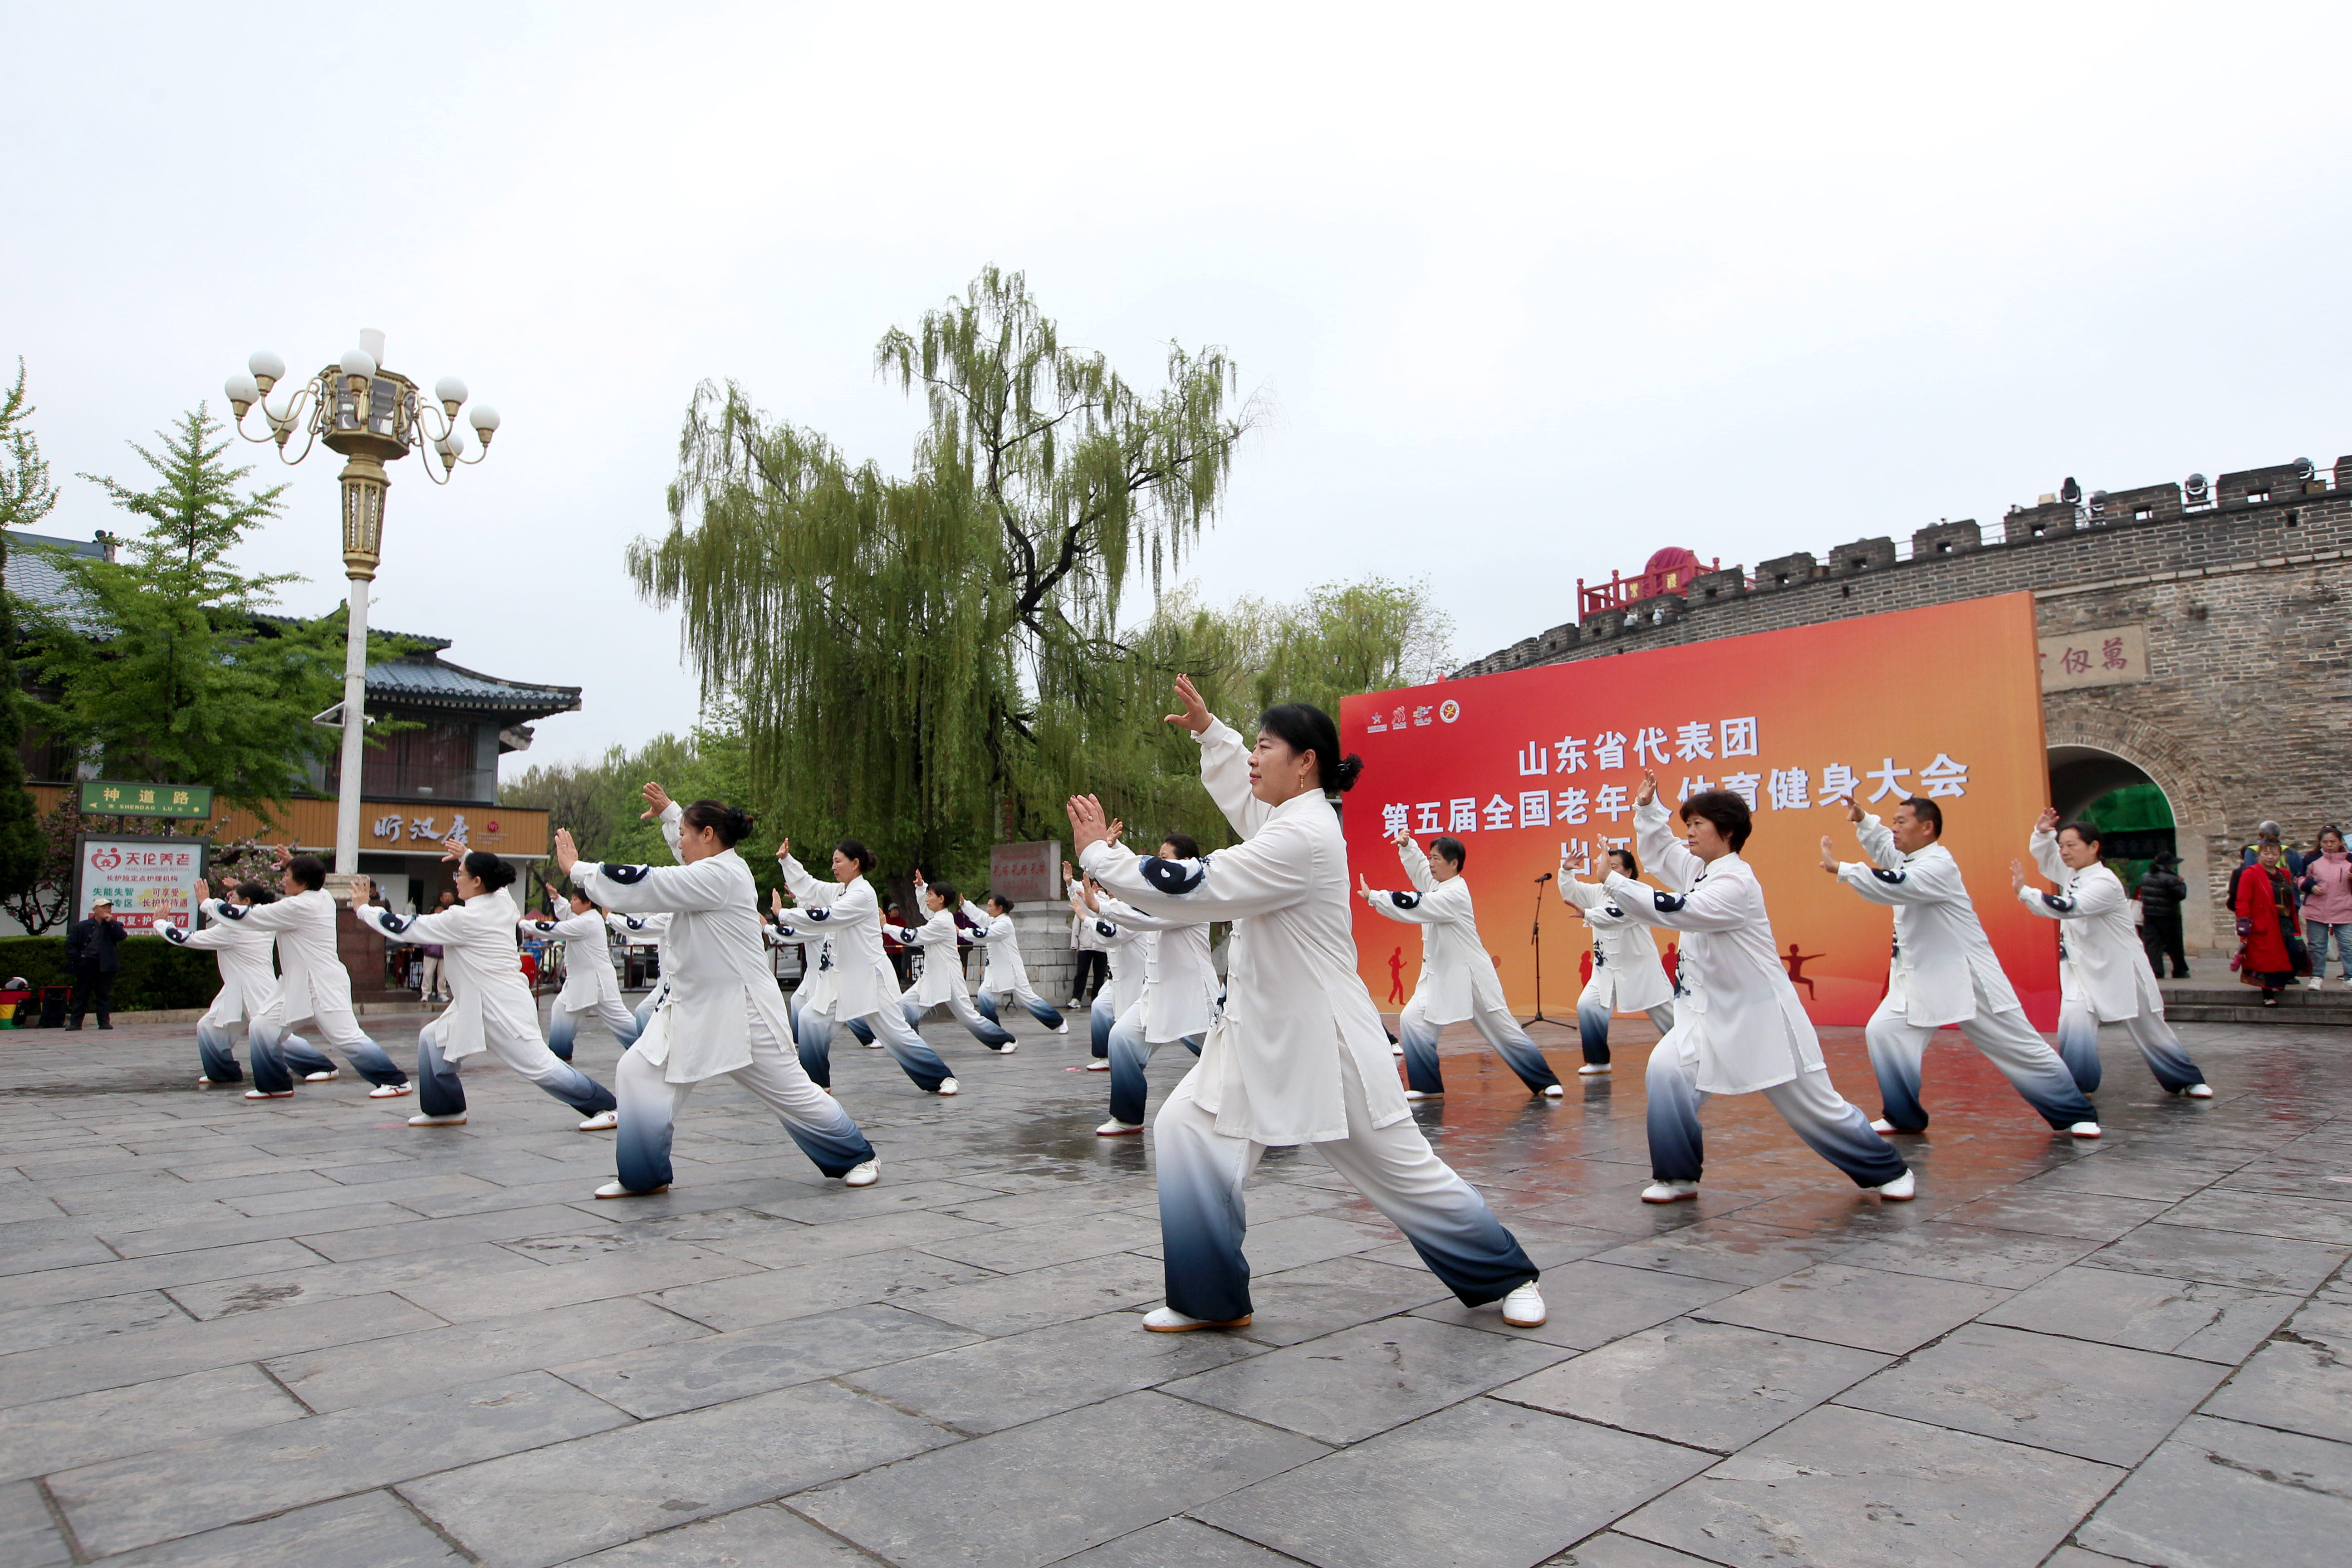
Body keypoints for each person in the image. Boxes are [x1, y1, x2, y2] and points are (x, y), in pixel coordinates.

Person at [1069, 674, 1545, 1333]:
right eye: (1252, 746)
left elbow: (1200, 885)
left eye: (1264, 747)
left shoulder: (1305, 836)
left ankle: (1509, 1275)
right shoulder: (1288, 817)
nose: (1252, 758)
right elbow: (1244, 797)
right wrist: (1211, 733)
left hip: (1325, 1041)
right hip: (1255, 1032)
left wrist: (1102, 855)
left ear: (1306, 763)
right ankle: (1210, 1299)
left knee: (1401, 1171)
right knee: (1185, 1132)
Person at [1604, 772, 1914, 1205]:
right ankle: (1678, 1176)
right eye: (1687, 823)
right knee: (1665, 1071)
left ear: (1727, 832)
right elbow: (1659, 852)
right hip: (1707, 1016)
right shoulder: (1698, 868)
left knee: (1815, 1108)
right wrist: (1647, 809)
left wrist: (1614, 882)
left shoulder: (1737, 882)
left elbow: (1681, 910)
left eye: (1698, 824)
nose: (1688, 832)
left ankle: (1888, 1170)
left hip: (1763, 1018)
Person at [557, 802, 879, 1197]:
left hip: (744, 1011)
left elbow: (653, 882)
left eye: (685, 834)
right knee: (636, 1072)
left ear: (708, 835)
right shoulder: (709, 872)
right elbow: (679, 868)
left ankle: (859, 1156)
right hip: (691, 1007)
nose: (680, 843)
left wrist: (578, 869)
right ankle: (643, 1176)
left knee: (792, 1091)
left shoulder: (723, 874)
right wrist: (671, 813)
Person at [1822, 794, 2101, 1139]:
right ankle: (1903, 1115)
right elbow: (1884, 848)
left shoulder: (1938, 866)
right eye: (1893, 823)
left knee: (2017, 1045)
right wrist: (1864, 819)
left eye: (1901, 822)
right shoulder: (1909, 858)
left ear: (1927, 828)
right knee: (1884, 1032)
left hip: (1969, 974)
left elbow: (1895, 885)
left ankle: (2076, 1113)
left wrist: (1843, 869)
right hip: (1925, 977)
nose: (1894, 829)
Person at [352, 842, 620, 1131]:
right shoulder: (502, 901)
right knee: (432, 1040)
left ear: (477, 881)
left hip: (501, 1005)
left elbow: (405, 926)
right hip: (476, 1001)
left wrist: (364, 910)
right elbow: (496, 882)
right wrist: (467, 855)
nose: (456, 880)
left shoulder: (463, 918)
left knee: (540, 1065)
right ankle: (445, 1109)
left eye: (460, 874)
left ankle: (608, 1107)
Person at [186, 851, 412, 1101]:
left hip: (322, 984)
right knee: (262, 1027)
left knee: (347, 1038)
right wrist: (293, 864)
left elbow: (246, 916)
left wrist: (207, 903)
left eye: (288, 875)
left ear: (303, 882)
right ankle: (275, 1085)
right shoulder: (322, 896)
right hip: (296, 984)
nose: (283, 880)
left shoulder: (298, 906)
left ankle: (395, 1081)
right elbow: (301, 887)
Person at [2014, 810, 2213, 1089]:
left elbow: (2071, 908)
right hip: (2081, 966)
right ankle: (2078, 1085)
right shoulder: (2071, 872)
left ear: (2094, 847)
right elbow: (2047, 860)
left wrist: (2026, 892)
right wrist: (2043, 834)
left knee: (2148, 1027)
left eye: (2072, 845)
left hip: (2121, 966)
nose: (2064, 852)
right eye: (2062, 846)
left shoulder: (2105, 882)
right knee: (2074, 1019)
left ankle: (2185, 1080)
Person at [1359, 831, 1563, 1100]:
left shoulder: (1454, 893)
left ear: (1454, 864)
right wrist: (1408, 847)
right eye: (1430, 857)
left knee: (1503, 1030)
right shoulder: (1437, 884)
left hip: (1470, 976)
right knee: (1413, 1020)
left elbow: (1418, 903)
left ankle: (1545, 1081)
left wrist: (1375, 897)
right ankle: (1427, 1086)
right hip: (1440, 977)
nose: (1431, 863)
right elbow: (1421, 871)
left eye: (1436, 859)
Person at [779, 837, 961, 1094]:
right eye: (833, 862)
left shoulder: (863, 894)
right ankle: (818, 1084)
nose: (833, 866)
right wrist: (787, 860)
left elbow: (828, 918)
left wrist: (784, 914)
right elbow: (810, 886)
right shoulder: (840, 891)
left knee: (896, 1034)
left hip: (871, 979)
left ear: (855, 864)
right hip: (842, 979)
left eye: (838, 861)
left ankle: (942, 1078)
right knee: (810, 1019)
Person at [1091, 833, 1220, 1135]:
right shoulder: (1163, 897)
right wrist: (1114, 848)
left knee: (1225, 1059)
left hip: (1194, 995)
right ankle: (1127, 1117)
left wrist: (1102, 908)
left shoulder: (1193, 897)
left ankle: (1266, 1110)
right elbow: (1142, 875)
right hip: (1158, 993)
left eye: (1165, 858)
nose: (1159, 864)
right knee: (1121, 1038)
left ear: (1186, 863)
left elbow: (1148, 917)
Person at [160, 882, 337, 1089]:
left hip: (256, 987)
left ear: (246, 902)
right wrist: (241, 888)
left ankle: (322, 1066)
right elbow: (251, 908)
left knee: (272, 1034)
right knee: (209, 1027)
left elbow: (185, 939)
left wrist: (160, 923)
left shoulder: (233, 930)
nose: (228, 901)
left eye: (232, 898)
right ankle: (224, 1073)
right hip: (236, 989)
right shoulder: (260, 921)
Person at [1556, 846, 1677, 1076]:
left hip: (1640, 969)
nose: (1607, 871)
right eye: (1606, 866)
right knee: (1588, 1006)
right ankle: (1598, 1062)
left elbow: (1618, 918)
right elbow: (1572, 893)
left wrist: (1588, 914)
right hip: (1606, 971)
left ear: (1628, 872)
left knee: (1670, 1019)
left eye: (1614, 867)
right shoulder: (1597, 892)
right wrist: (1567, 872)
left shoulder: (1638, 894)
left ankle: (1694, 1053)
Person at [887, 873, 1019, 1052]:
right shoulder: (939, 917)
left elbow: (913, 937)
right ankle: (912, 1045)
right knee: (906, 1005)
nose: (927, 899)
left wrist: (886, 927)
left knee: (968, 1017)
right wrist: (921, 887)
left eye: (930, 895)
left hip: (949, 978)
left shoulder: (942, 922)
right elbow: (925, 910)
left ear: (941, 899)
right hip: (933, 976)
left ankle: (1006, 1041)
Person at [522, 889, 644, 1061]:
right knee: (561, 1009)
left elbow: (555, 929)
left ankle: (648, 1048)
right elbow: (568, 915)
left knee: (620, 1020)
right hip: (583, 982)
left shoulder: (586, 922)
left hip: (597, 982)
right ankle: (560, 1053)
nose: (572, 902)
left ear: (587, 903)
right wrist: (558, 899)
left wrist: (523, 923)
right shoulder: (585, 918)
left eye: (575, 899)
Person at [964, 892, 1068, 1034]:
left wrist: (961, 933)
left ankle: (1059, 1022)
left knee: (1028, 999)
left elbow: (986, 934)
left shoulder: (1004, 924)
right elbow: (980, 917)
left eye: (990, 906)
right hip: (996, 969)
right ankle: (993, 1030)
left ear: (1000, 908)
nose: (988, 909)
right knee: (984, 995)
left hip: (1012, 969)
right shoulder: (994, 920)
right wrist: (966, 905)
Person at [1072, 867, 1144, 1070]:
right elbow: (1096, 911)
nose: (1110, 890)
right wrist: (1083, 899)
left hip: (1136, 977)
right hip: (1117, 978)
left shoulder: (1136, 910)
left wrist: (1085, 918)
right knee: (1100, 1007)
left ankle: (1132, 1061)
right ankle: (1105, 1056)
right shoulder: (1114, 907)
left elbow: (1111, 935)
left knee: (1131, 1023)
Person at [2230, 838, 2303, 1006]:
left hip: (2285, 921)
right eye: (2266, 853)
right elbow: (2243, 900)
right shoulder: (2251, 873)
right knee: (2268, 959)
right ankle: (2268, 994)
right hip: (2263, 922)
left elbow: (2290, 897)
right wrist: (2243, 921)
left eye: (2274, 854)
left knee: (2296, 951)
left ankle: (2282, 980)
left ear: (2280, 856)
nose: (2270, 857)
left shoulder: (2284, 874)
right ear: (2259, 855)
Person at [2299, 827, 2352, 989]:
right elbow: (2299, 878)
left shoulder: (2350, 859)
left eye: (2333, 842)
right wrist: (2310, 886)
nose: (2329, 845)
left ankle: (2350, 978)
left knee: (2348, 945)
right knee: (2317, 945)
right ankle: (2317, 977)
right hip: (2317, 908)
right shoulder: (2311, 858)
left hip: (2345, 908)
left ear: (2340, 842)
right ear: (2320, 843)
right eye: (2325, 842)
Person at [64, 898, 127, 1030]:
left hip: (105, 964)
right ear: (95, 909)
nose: (107, 910)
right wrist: (79, 958)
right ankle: (75, 1023)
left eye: (109, 908)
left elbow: (121, 936)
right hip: (87, 963)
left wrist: (111, 922)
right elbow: (71, 945)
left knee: (103, 995)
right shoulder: (83, 926)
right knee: (82, 994)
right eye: (104, 907)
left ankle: (104, 1022)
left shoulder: (114, 925)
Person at [2137, 851, 2191, 980]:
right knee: (2174, 944)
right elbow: (2180, 895)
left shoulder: (2146, 876)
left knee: (2153, 944)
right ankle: (2180, 970)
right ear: (2168, 865)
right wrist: (2181, 883)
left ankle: (2156, 971)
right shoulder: (2171, 878)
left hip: (2149, 914)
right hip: (2168, 915)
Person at [1066, 868, 1110, 1008]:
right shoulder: (1085, 902)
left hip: (1102, 946)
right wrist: (1074, 944)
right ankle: (1076, 998)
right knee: (1082, 973)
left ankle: (1096, 1000)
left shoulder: (1107, 901)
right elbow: (1077, 924)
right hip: (1086, 944)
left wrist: (1096, 894)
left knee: (1100, 975)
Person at [418, 889, 456, 1002]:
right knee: (428, 974)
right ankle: (425, 994)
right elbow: (423, 934)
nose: (439, 911)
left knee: (443, 975)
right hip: (431, 951)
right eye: (437, 910)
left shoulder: (448, 922)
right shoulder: (429, 921)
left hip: (444, 952)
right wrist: (427, 947)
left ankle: (442, 993)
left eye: (441, 910)